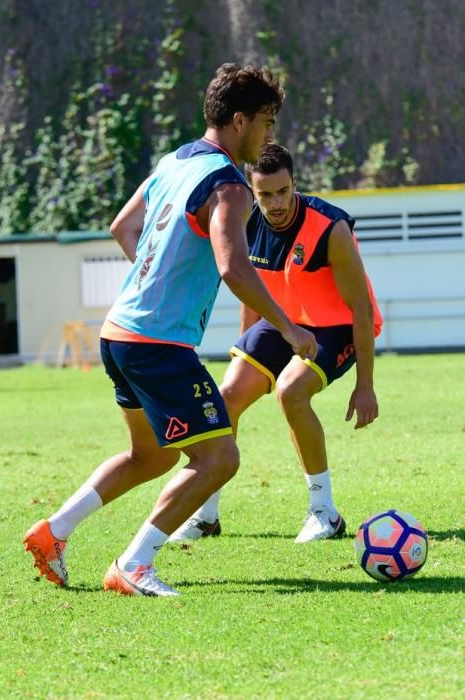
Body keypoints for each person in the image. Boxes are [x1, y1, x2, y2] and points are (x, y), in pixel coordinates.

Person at [23, 65, 318, 597]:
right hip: (157, 344)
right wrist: (290, 328)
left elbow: (122, 226)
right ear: (239, 119)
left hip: (120, 332)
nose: (271, 135)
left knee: (153, 456)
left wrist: (154, 280)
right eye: (267, 123)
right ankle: (134, 564)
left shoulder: (176, 160)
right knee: (219, 457)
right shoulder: (229, 184)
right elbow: (234, 268)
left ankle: (53, 532)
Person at [169, 143, 383, 545]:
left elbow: (362, 308)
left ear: (294, 184)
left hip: (337, 326)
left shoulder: (330, 227)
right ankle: (206, 514)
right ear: (253, 192)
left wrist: (365, 385)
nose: (276, 202)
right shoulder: (248, 223)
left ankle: (324, 512)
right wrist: (247, 348)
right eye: (265, 194)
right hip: (284, 322)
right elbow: (253, 290)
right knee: (226, 396)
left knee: (290, 392)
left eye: (282, 191)